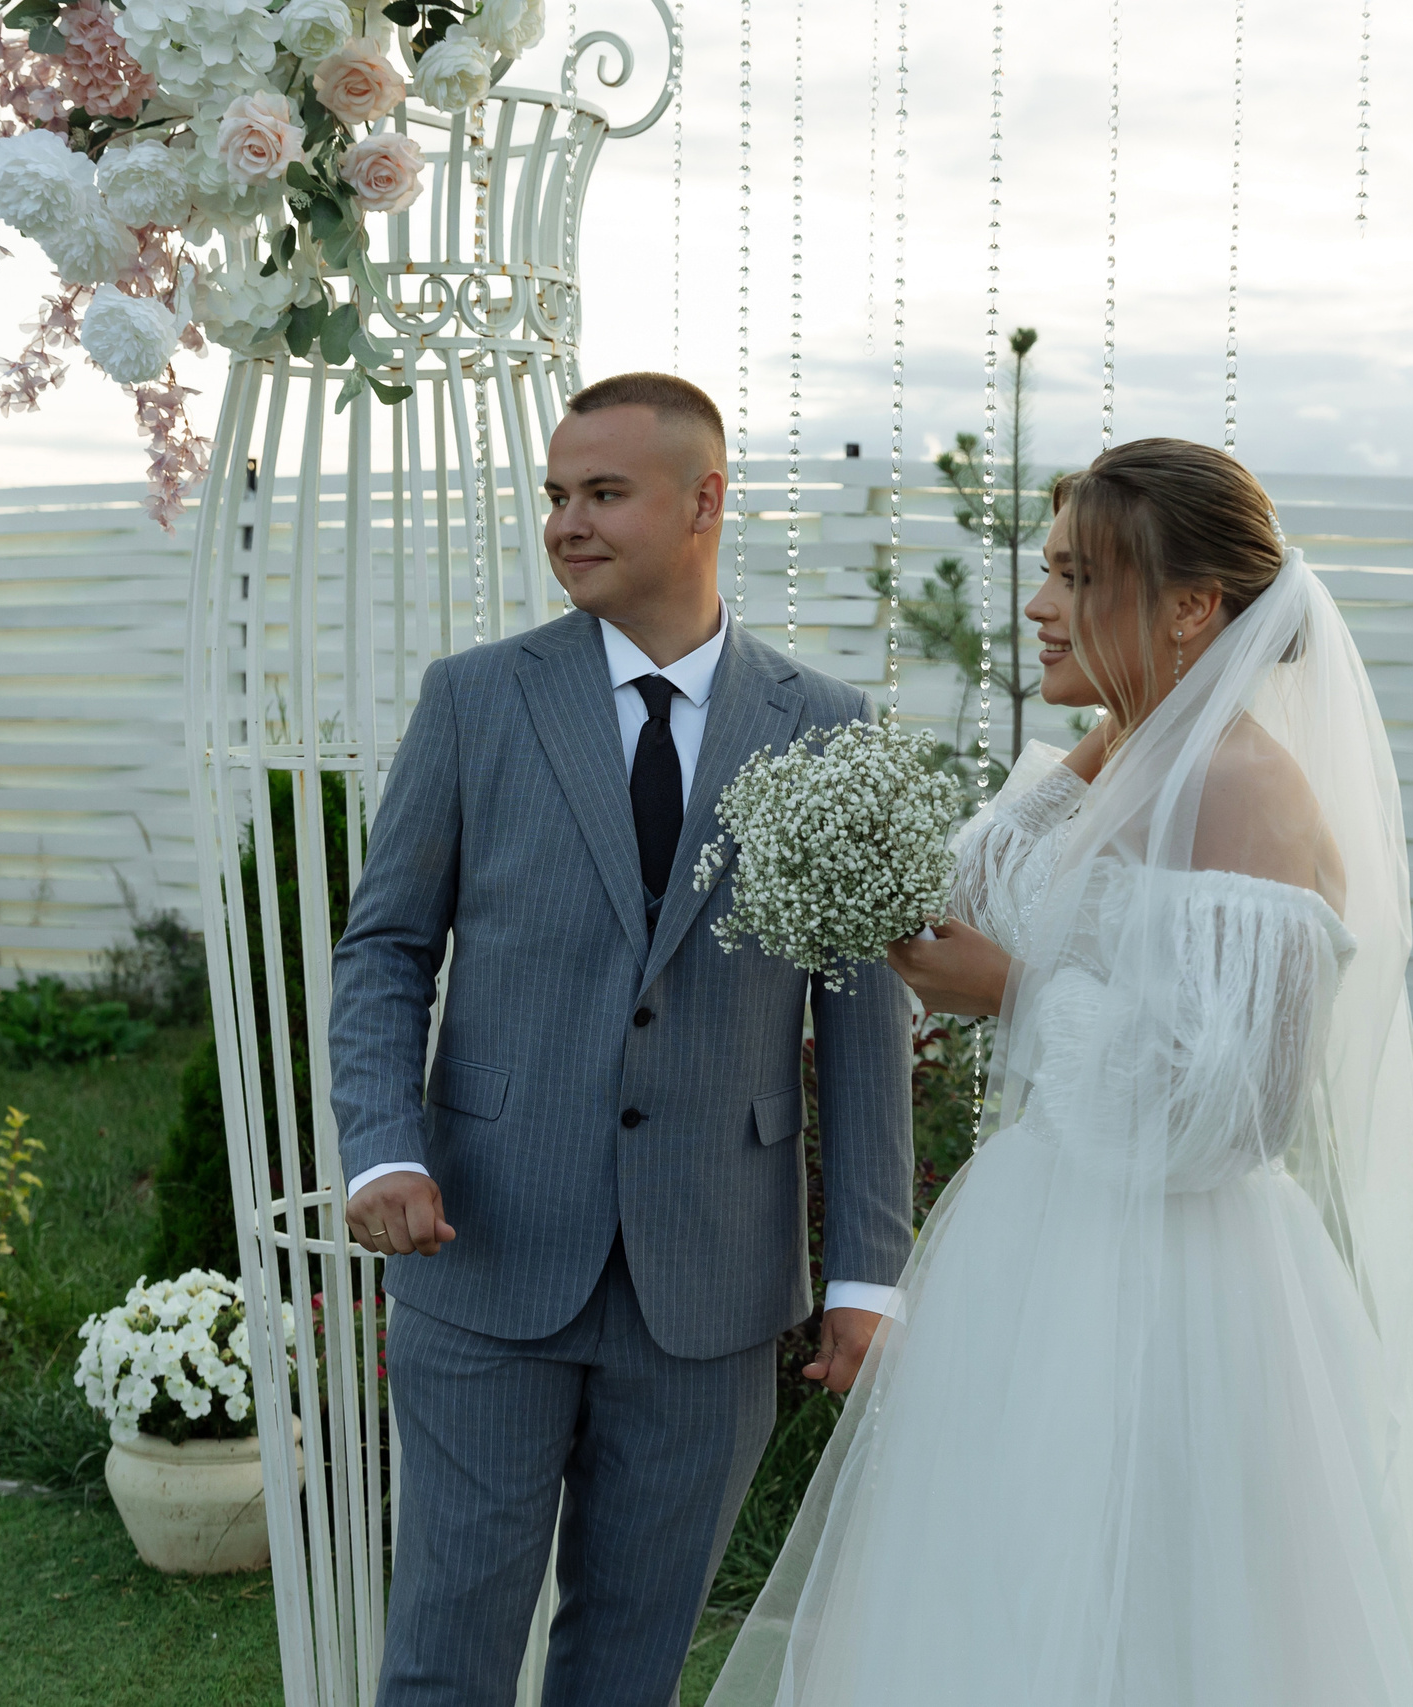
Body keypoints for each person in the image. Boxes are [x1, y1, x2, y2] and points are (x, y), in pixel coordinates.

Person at [708, 439, 1413, 1707]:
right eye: (1048, 571)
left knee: (1152, 1621)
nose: (1039, 605)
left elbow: (1226, 1113)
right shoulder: (1130, 751)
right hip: (1040, 1244)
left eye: (1077, 578)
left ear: (1192, 609)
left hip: (1172, 1292)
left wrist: (1017, 997)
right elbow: (978, 884)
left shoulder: (1245, 791)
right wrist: (1097, 742)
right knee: (993, 1605)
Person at [329, 371, 916, 1706]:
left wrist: (866, 1273)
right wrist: (383, 1150)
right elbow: (384, 949)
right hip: (485, 1254)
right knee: (442, 1658)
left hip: (712, 1280)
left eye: (603, 493)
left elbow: (860, 1011)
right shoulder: (476, 700)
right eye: (556, 495)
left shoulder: (829, 726)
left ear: (705, 502)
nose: (567, 523)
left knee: (631, 1669)